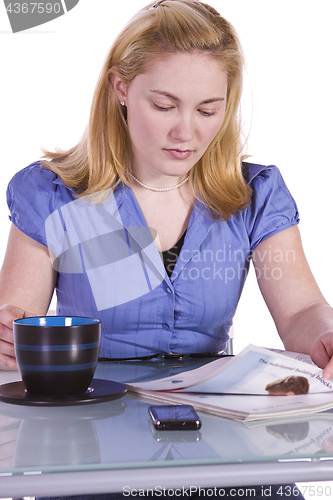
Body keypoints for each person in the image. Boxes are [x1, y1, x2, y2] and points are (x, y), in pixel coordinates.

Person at [0, 0, 332, 498]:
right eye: (164, 105)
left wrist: (326, 336)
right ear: (121, 88)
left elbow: (303, 309)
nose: (186, 132)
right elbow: (17, 322)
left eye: (207, 109)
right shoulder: (56, 195)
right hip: (89, 444)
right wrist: (6, 336)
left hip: (223, 440)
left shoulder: (254, 194)